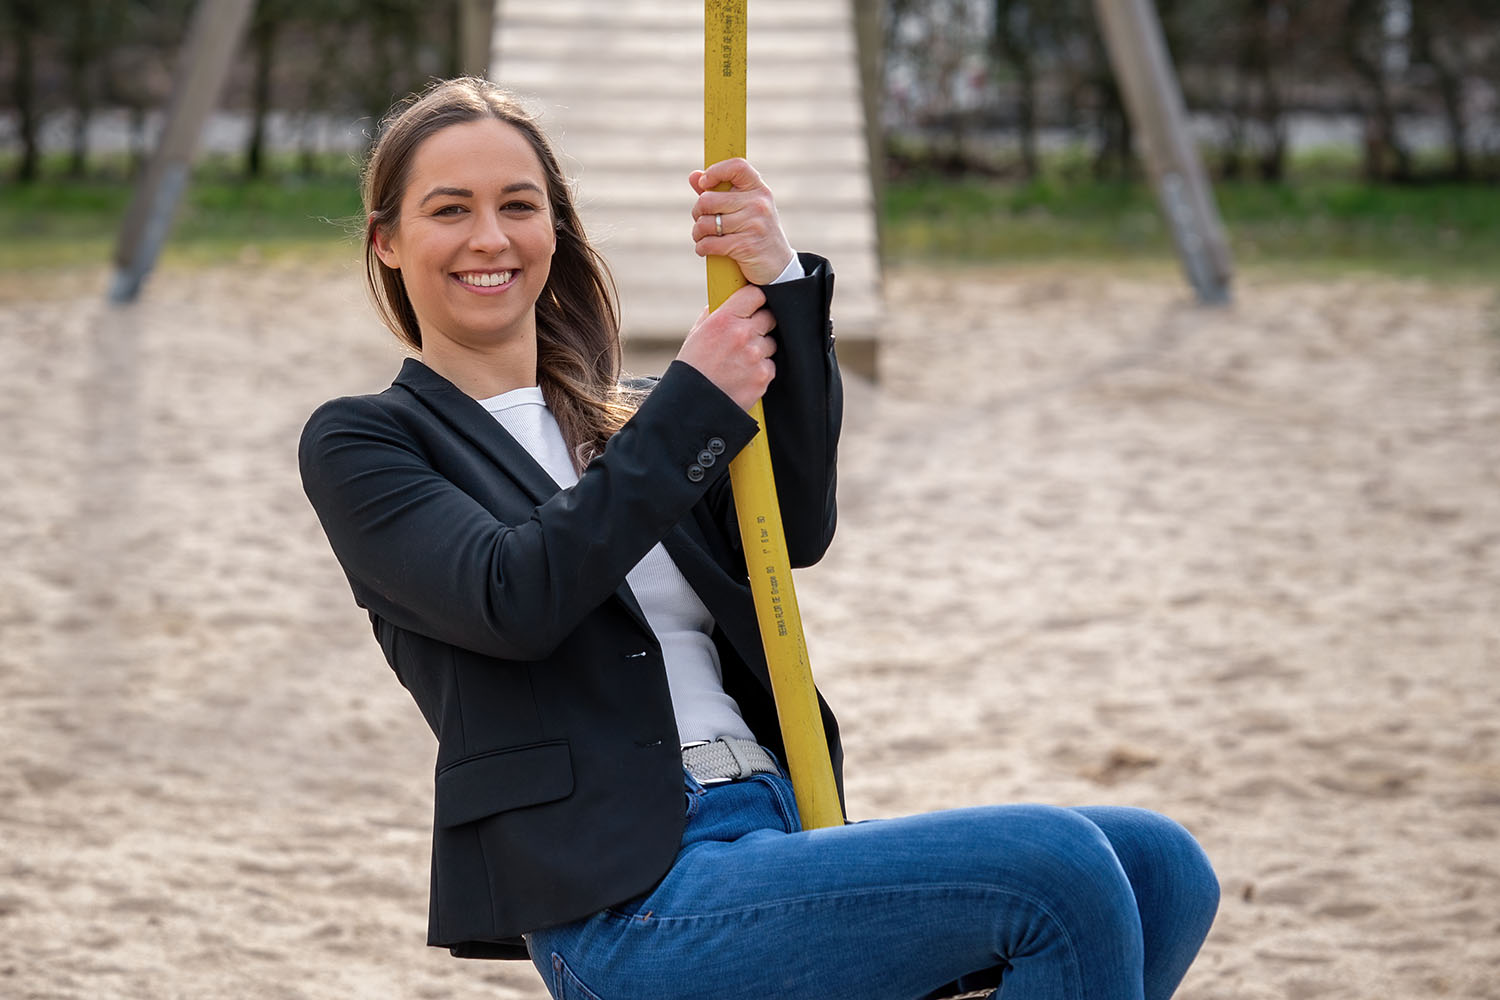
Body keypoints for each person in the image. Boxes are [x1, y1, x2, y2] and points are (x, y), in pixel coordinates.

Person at [299, 76, 1219, 1000]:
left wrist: (778, 280)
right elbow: (514, 594)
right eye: (449, 210)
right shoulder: (370, 441)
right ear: (387, 240)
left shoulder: (637, 425)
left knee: (1161, 866)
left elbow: (795, 524)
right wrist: (695, 400)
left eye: (519, 206)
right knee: (1053, 868)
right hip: (629, 900)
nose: (490, 238)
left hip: (769, 821)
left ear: (556, 230)